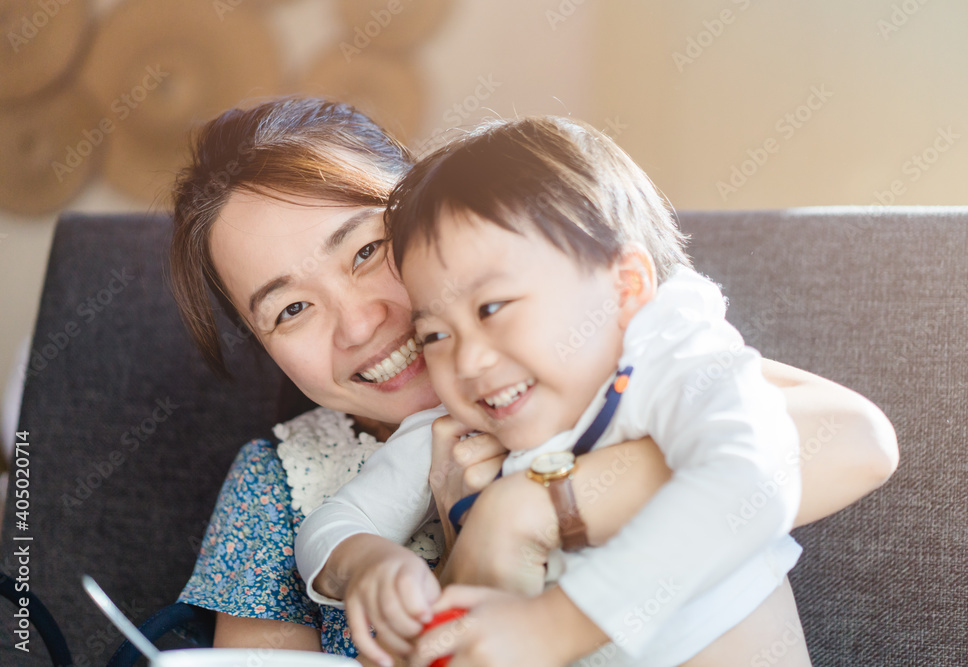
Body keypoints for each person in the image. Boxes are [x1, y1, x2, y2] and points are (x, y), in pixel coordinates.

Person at [168, 97, 898, 661]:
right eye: (291, 308)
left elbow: (846, 440)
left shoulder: (621, 350)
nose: (361, 323)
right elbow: (337, 543)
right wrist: (400, 565)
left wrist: (527, 509)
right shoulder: (280, 484)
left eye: (366, 251)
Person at [296, 115, 805, 667]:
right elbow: (331, 527)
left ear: (625, 286)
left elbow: (751, 478)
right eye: (435, 335)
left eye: (493, 308)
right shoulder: (470, 418)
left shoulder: (671, 360)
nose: (468, 359)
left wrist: (556, 625)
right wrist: (370, 564)